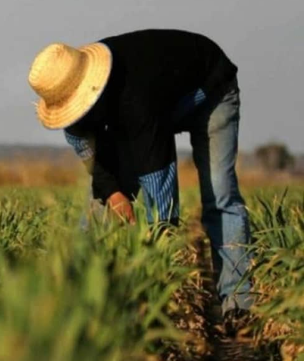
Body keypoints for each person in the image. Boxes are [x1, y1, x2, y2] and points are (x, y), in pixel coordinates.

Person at [27, 29, 252, 333]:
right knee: (98, 208)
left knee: (219, 195)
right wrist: (116, 196)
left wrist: (158, 256)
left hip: (208, 90)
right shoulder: (74, 115)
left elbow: (160, 184)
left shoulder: (134, 97)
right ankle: (80, 302)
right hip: (154, 105)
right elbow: (96, 164)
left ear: (91, 90)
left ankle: (237, 306)